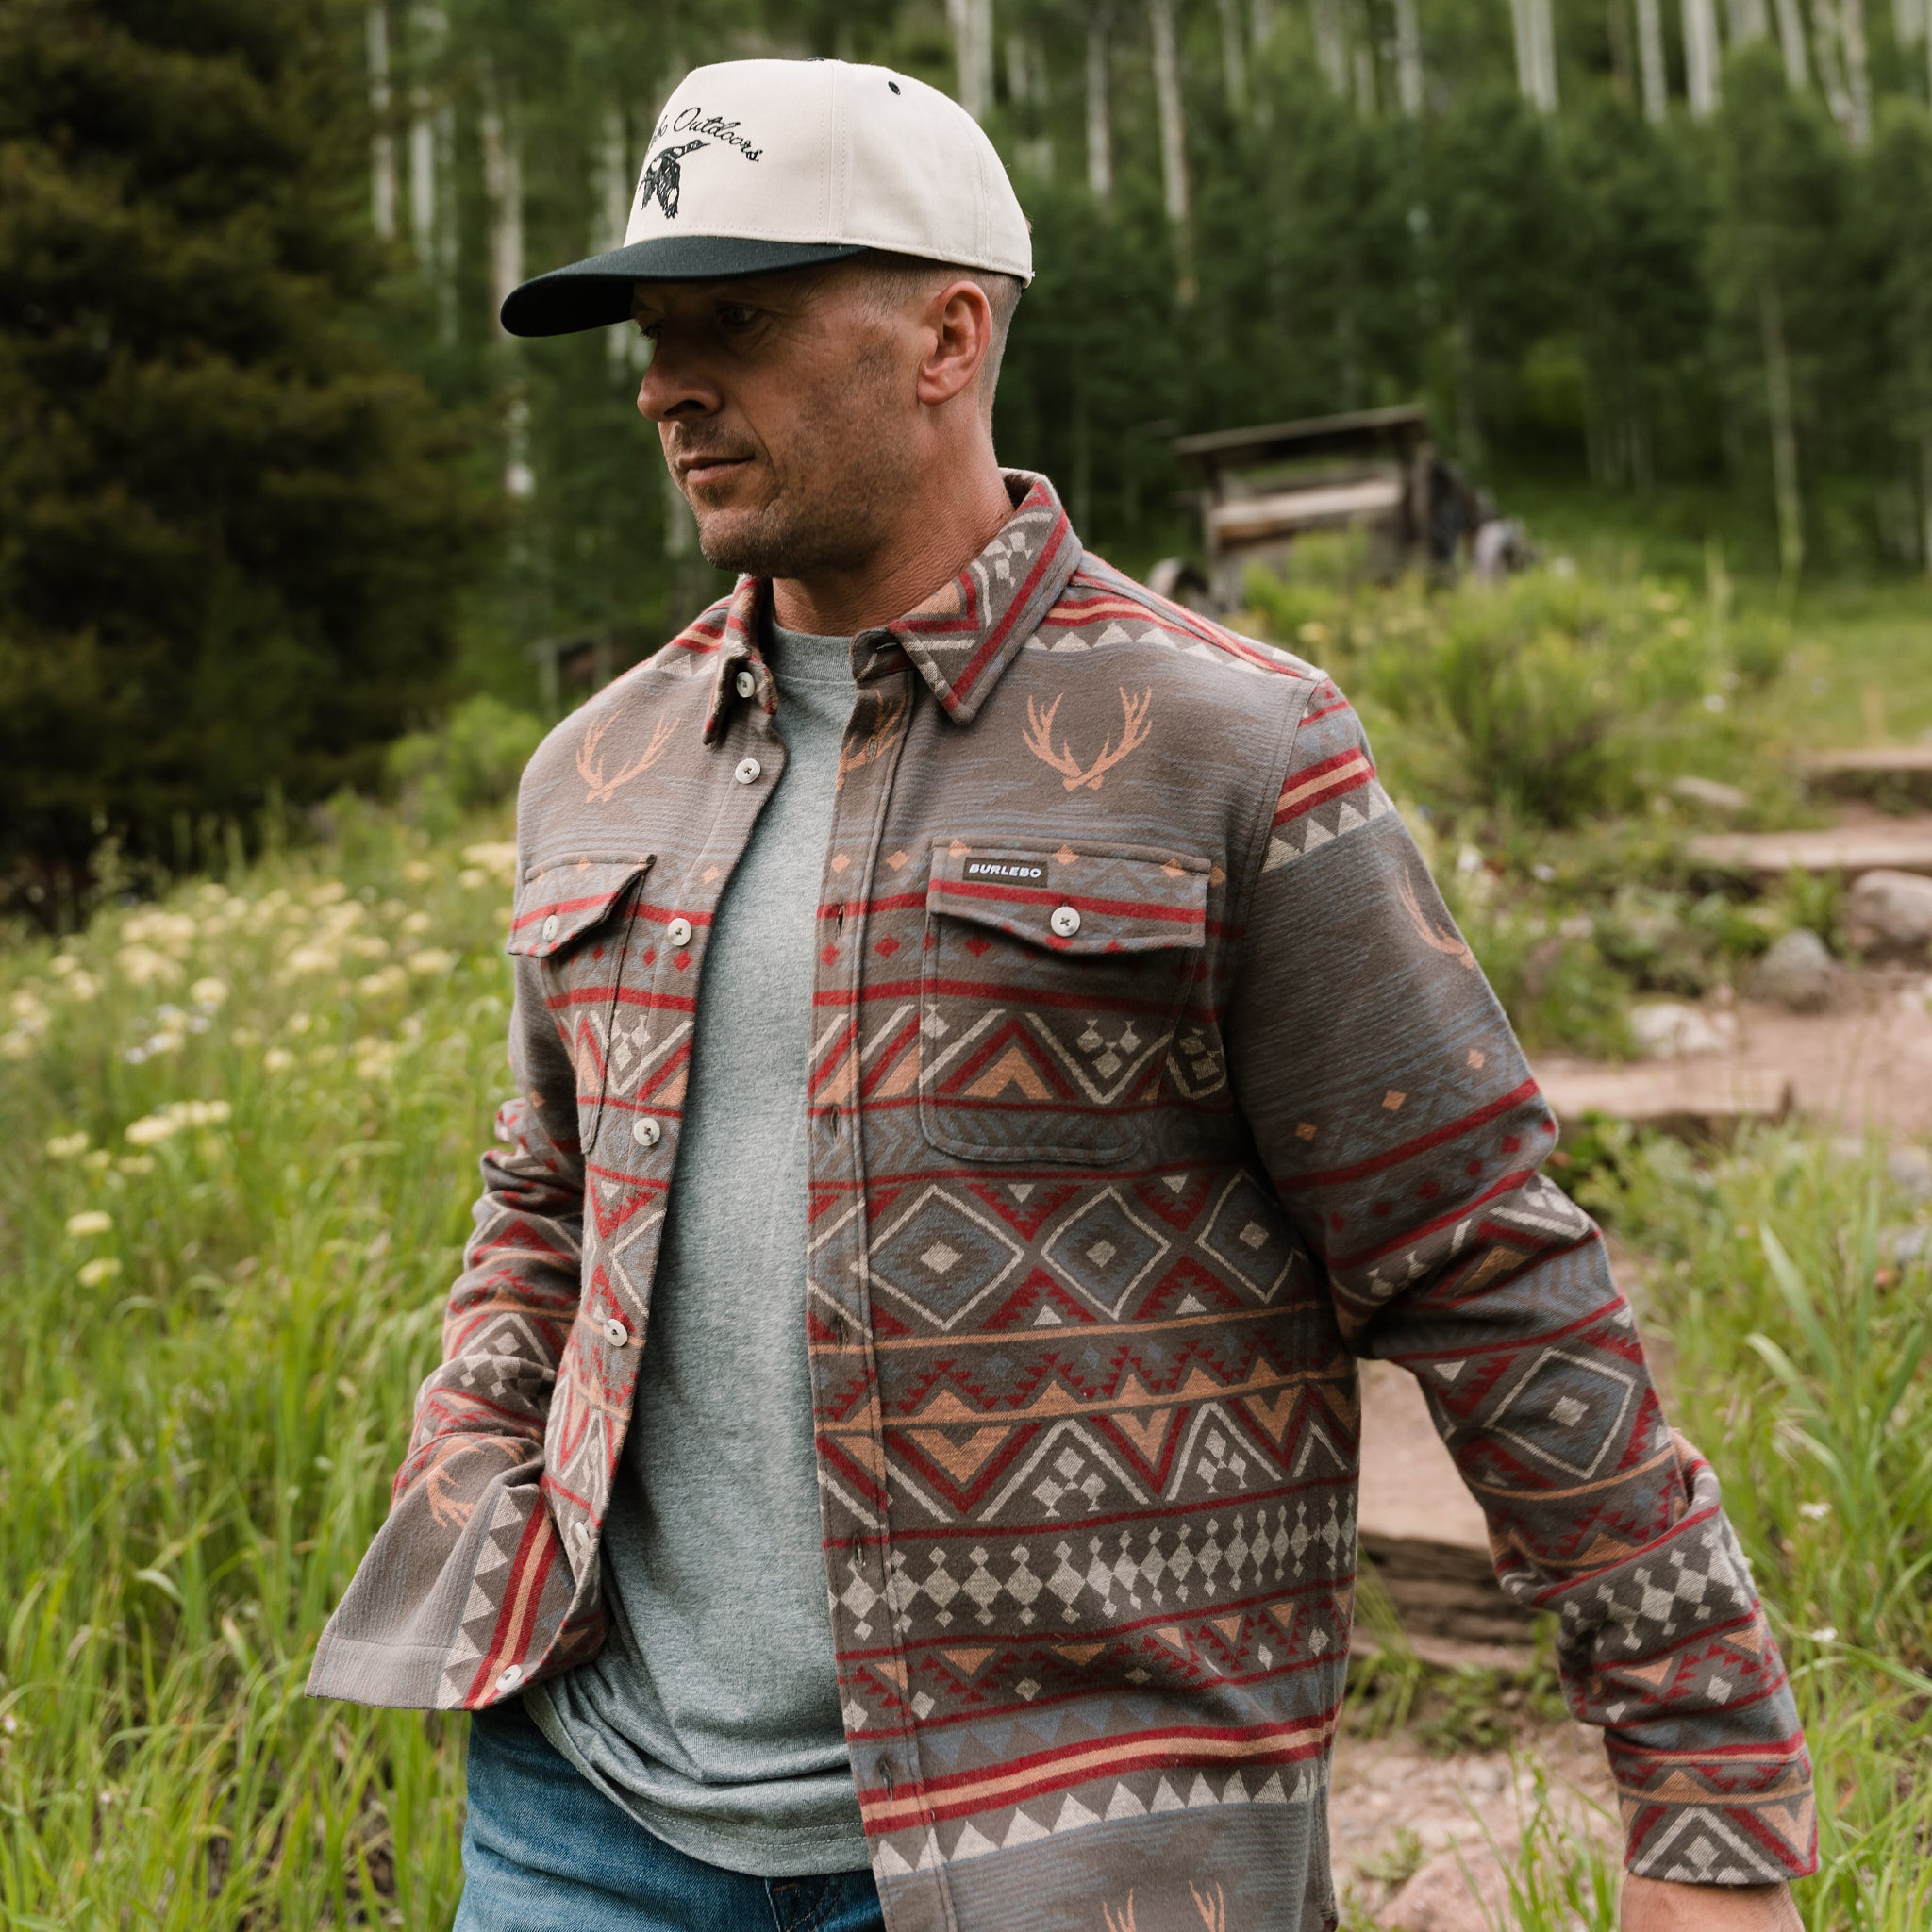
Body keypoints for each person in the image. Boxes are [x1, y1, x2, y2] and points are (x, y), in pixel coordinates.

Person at [308, 57, 1813, 1932]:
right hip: (583, 1824)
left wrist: (1707, 1791)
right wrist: (472, 1474)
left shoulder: (1234, 751)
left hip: (1071, 1846)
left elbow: (1489, 1265)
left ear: (949, 337)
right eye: (651, 331)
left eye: (737, 321)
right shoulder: (597, 774)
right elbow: (544, 1203)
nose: (664, 382)